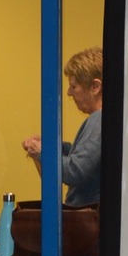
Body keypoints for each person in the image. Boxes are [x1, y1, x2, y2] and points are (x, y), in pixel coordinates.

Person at [22, 46, 103, 206]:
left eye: (74, 86)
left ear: (95, 86)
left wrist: (42, 153)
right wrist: (52, 147)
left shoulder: (99, 119)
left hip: (86, 215)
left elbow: (76, 171)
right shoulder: (103, 120)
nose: (69, 93)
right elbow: (86, 158)